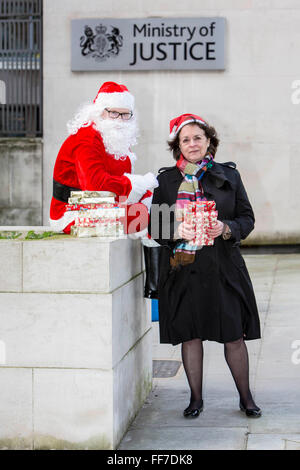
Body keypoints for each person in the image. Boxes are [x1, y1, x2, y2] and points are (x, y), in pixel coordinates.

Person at [148, 113, 261, 418]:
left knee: (234, 334)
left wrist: (224, 228)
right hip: (183, 269)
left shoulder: (229, 176)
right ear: (178, 147)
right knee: (190, 334)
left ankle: (246, 397)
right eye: (186, 139)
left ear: (210, 141)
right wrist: (175, 231)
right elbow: (155, 226)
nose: (193, 143)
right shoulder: (165, 180)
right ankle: (195, 399)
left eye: (198, 137)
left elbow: (247, 219)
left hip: (223, 268)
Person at [49, 81, 157, 233]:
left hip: (99, 204)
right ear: (99, 111)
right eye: (113, 113)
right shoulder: (87, 138)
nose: (119, 120)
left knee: (158, 206)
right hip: (71, 212)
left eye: (125, 114)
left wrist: (144, 193)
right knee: (143, 215)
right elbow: (94, 184)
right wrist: (134, 184)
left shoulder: (112, 137)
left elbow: (116, 182)